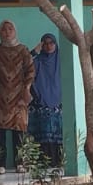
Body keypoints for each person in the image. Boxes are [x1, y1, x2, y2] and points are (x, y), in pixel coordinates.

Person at [0, 20, 33, 174]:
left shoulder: (23, 50)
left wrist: (27, 89)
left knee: (19, 129)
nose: (7, 32)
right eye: (3, 29)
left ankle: (20, 163)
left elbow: (30, 70)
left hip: (19, 95)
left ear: (15, 31)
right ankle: (0, 164)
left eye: (10, 29)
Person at [28, 34, 64, 165]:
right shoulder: (37, 61)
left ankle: (58, 161)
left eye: (51, 43)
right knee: (42, 132)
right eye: (45, 43)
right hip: (39, 102)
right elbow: (23, 65)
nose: (49, 46)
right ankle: (42, 163)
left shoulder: (62, 60)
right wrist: (34, 51)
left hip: (58, 102)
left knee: (58, 132)